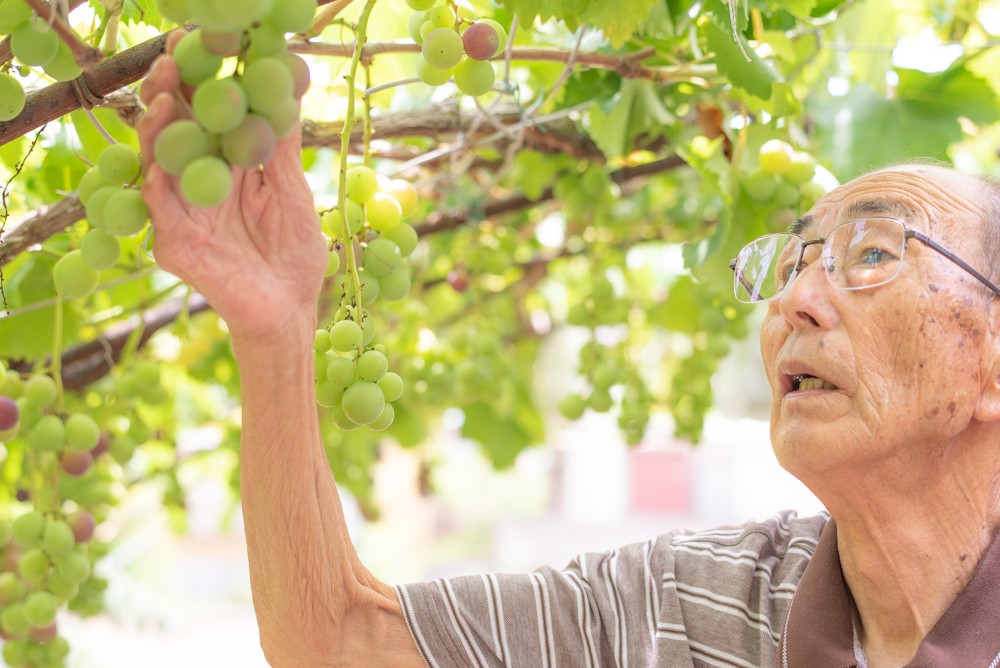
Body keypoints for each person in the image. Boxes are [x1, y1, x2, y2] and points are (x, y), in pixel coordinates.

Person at [136, 37, 1000, 668]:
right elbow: (340, 642)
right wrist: (277, 329)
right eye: (791, 263)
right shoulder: (693, 607)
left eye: (876, 255)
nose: (795, 301)